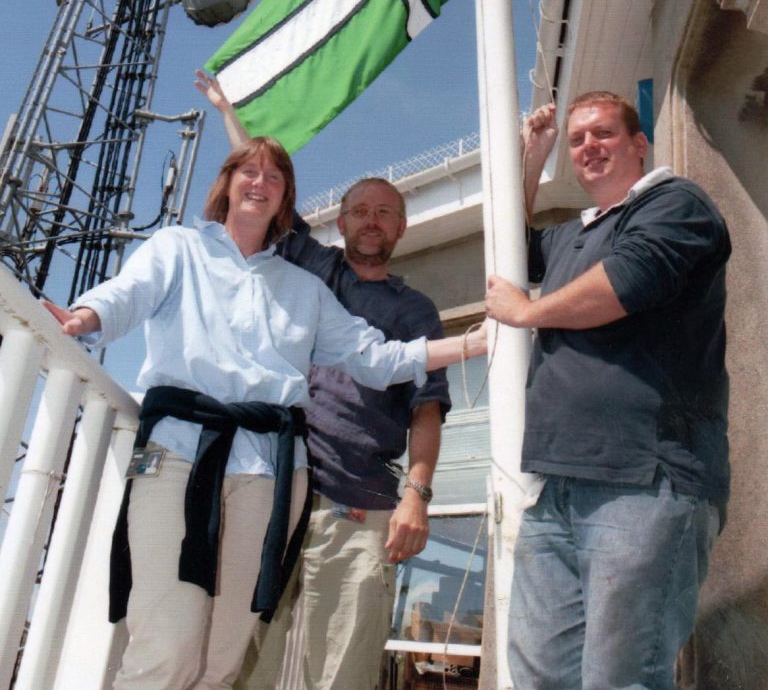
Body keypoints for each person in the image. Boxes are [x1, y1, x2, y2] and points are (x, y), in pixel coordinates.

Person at [46, 137, 486, 690]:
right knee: (167, 642)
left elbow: (378, 359)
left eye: (273, 178)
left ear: (285, 201)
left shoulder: (305, 288)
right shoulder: (179, 247)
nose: (259, 183)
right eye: (248, 172)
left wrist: (473, 343)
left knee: (226, 655)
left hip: (269, 474)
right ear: (227, 183)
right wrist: (89, 314)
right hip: (179, 454)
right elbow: (129, 292)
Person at [194, 72, 455, 690]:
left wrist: (417, 494)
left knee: (339, 672)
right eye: (360, 210)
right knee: (240, 658)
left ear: (401, 229)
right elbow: (262, 180)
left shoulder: (416, 313)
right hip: (273, 493)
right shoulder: (313, 271)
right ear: (339, 223)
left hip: (358, 510)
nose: (371, 220)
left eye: (384, 213)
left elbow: (427, 412)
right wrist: (229, 112)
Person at [485, 92, 730, 690]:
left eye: (604, 134)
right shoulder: (573, 236)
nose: (589, 147)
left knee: (621, 678)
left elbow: (625, 282)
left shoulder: (677, 204)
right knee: (542, 673)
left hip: (646, 482)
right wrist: (530, 158)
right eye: (577, 140)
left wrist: (527, 312)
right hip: (558, 485)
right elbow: (508, 242)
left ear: (638, 143)